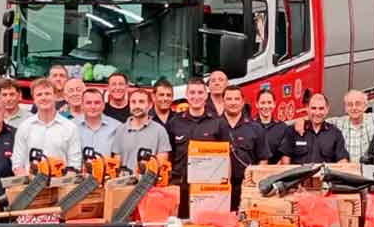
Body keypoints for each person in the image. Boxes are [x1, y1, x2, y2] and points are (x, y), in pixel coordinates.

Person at [167, 77, 233, 218]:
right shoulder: (174, 123)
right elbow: (170, 155)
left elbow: (226, 158)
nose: (196, 97)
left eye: (199, 93)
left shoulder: (219, 123)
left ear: (206, 95)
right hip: (180, 186)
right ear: (186, 95)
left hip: (208, 188)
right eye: (192, 93)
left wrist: (225, 186)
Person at [12, 78, 83, 173]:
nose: (43, 97)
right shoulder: (24, 127)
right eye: (39, 94)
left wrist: (63, 184)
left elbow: (75, 164)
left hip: (61, 185)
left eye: (47, 93)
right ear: (34, 99)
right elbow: (17, 164)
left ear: (55, 96)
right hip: (31, 185)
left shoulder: (70, 127)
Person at [223, 86, 269, 210]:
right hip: (219, 189)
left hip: (247, 188)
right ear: (223, 102)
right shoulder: (214, 126)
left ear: (242, 102)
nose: (233, 102)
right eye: (229, 99)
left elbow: (263, 159)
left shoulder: (256, 128)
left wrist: (254, 184)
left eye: (236, 99)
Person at [281, 94, 349, 165]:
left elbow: (342, 160)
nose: (317, 113)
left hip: (324, 175)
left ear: (327, 110)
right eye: (313, 108)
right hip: (299, 175)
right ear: (307, 108)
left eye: (321, 108)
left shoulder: (335, 133)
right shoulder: (293, 130)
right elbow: (285, 159)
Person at [112, 88, 172, 170]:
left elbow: (161, 164)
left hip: (149, 181)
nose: (137, 106)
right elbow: (116, 163)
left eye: (141, 102)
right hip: (124, 181)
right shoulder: (120, 130)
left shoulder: (160, 131)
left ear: (150, 105)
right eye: (133, 102)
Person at [76, 89, 121, 157]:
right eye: (88, 103)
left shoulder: (117, 127)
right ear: (82, 105)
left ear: (103, 105)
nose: (93, 106)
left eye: (97, 103)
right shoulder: (72, 126)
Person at [253, 89, 288, 164]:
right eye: (262, 103)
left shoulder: (282, 127)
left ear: (274, 104)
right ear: (257, 104)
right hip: (254, 171)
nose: (266, 106)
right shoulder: (250, 126)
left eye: (269, 102)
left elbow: (285, 155)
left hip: (276, 172)